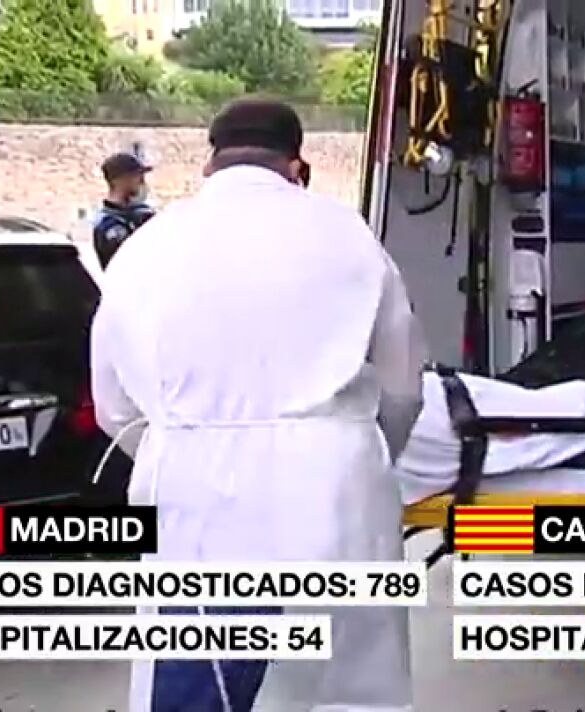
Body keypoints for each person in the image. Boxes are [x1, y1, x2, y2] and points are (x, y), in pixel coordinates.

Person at [90, 98, 426, 712]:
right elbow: (403, 386)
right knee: (349, 691)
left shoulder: (146, 247)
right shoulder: (348, 237)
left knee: (200, 684)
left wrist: (184, 444)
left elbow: (113, 407)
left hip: (192, 503)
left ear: (209, 163)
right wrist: (365, 453)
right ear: (297, 166)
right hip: (332, 491)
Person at [93, 152, 156, 269]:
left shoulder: (144, 214)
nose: (142, 182)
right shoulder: (108, 225)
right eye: (137, 177)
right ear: (120, 180)